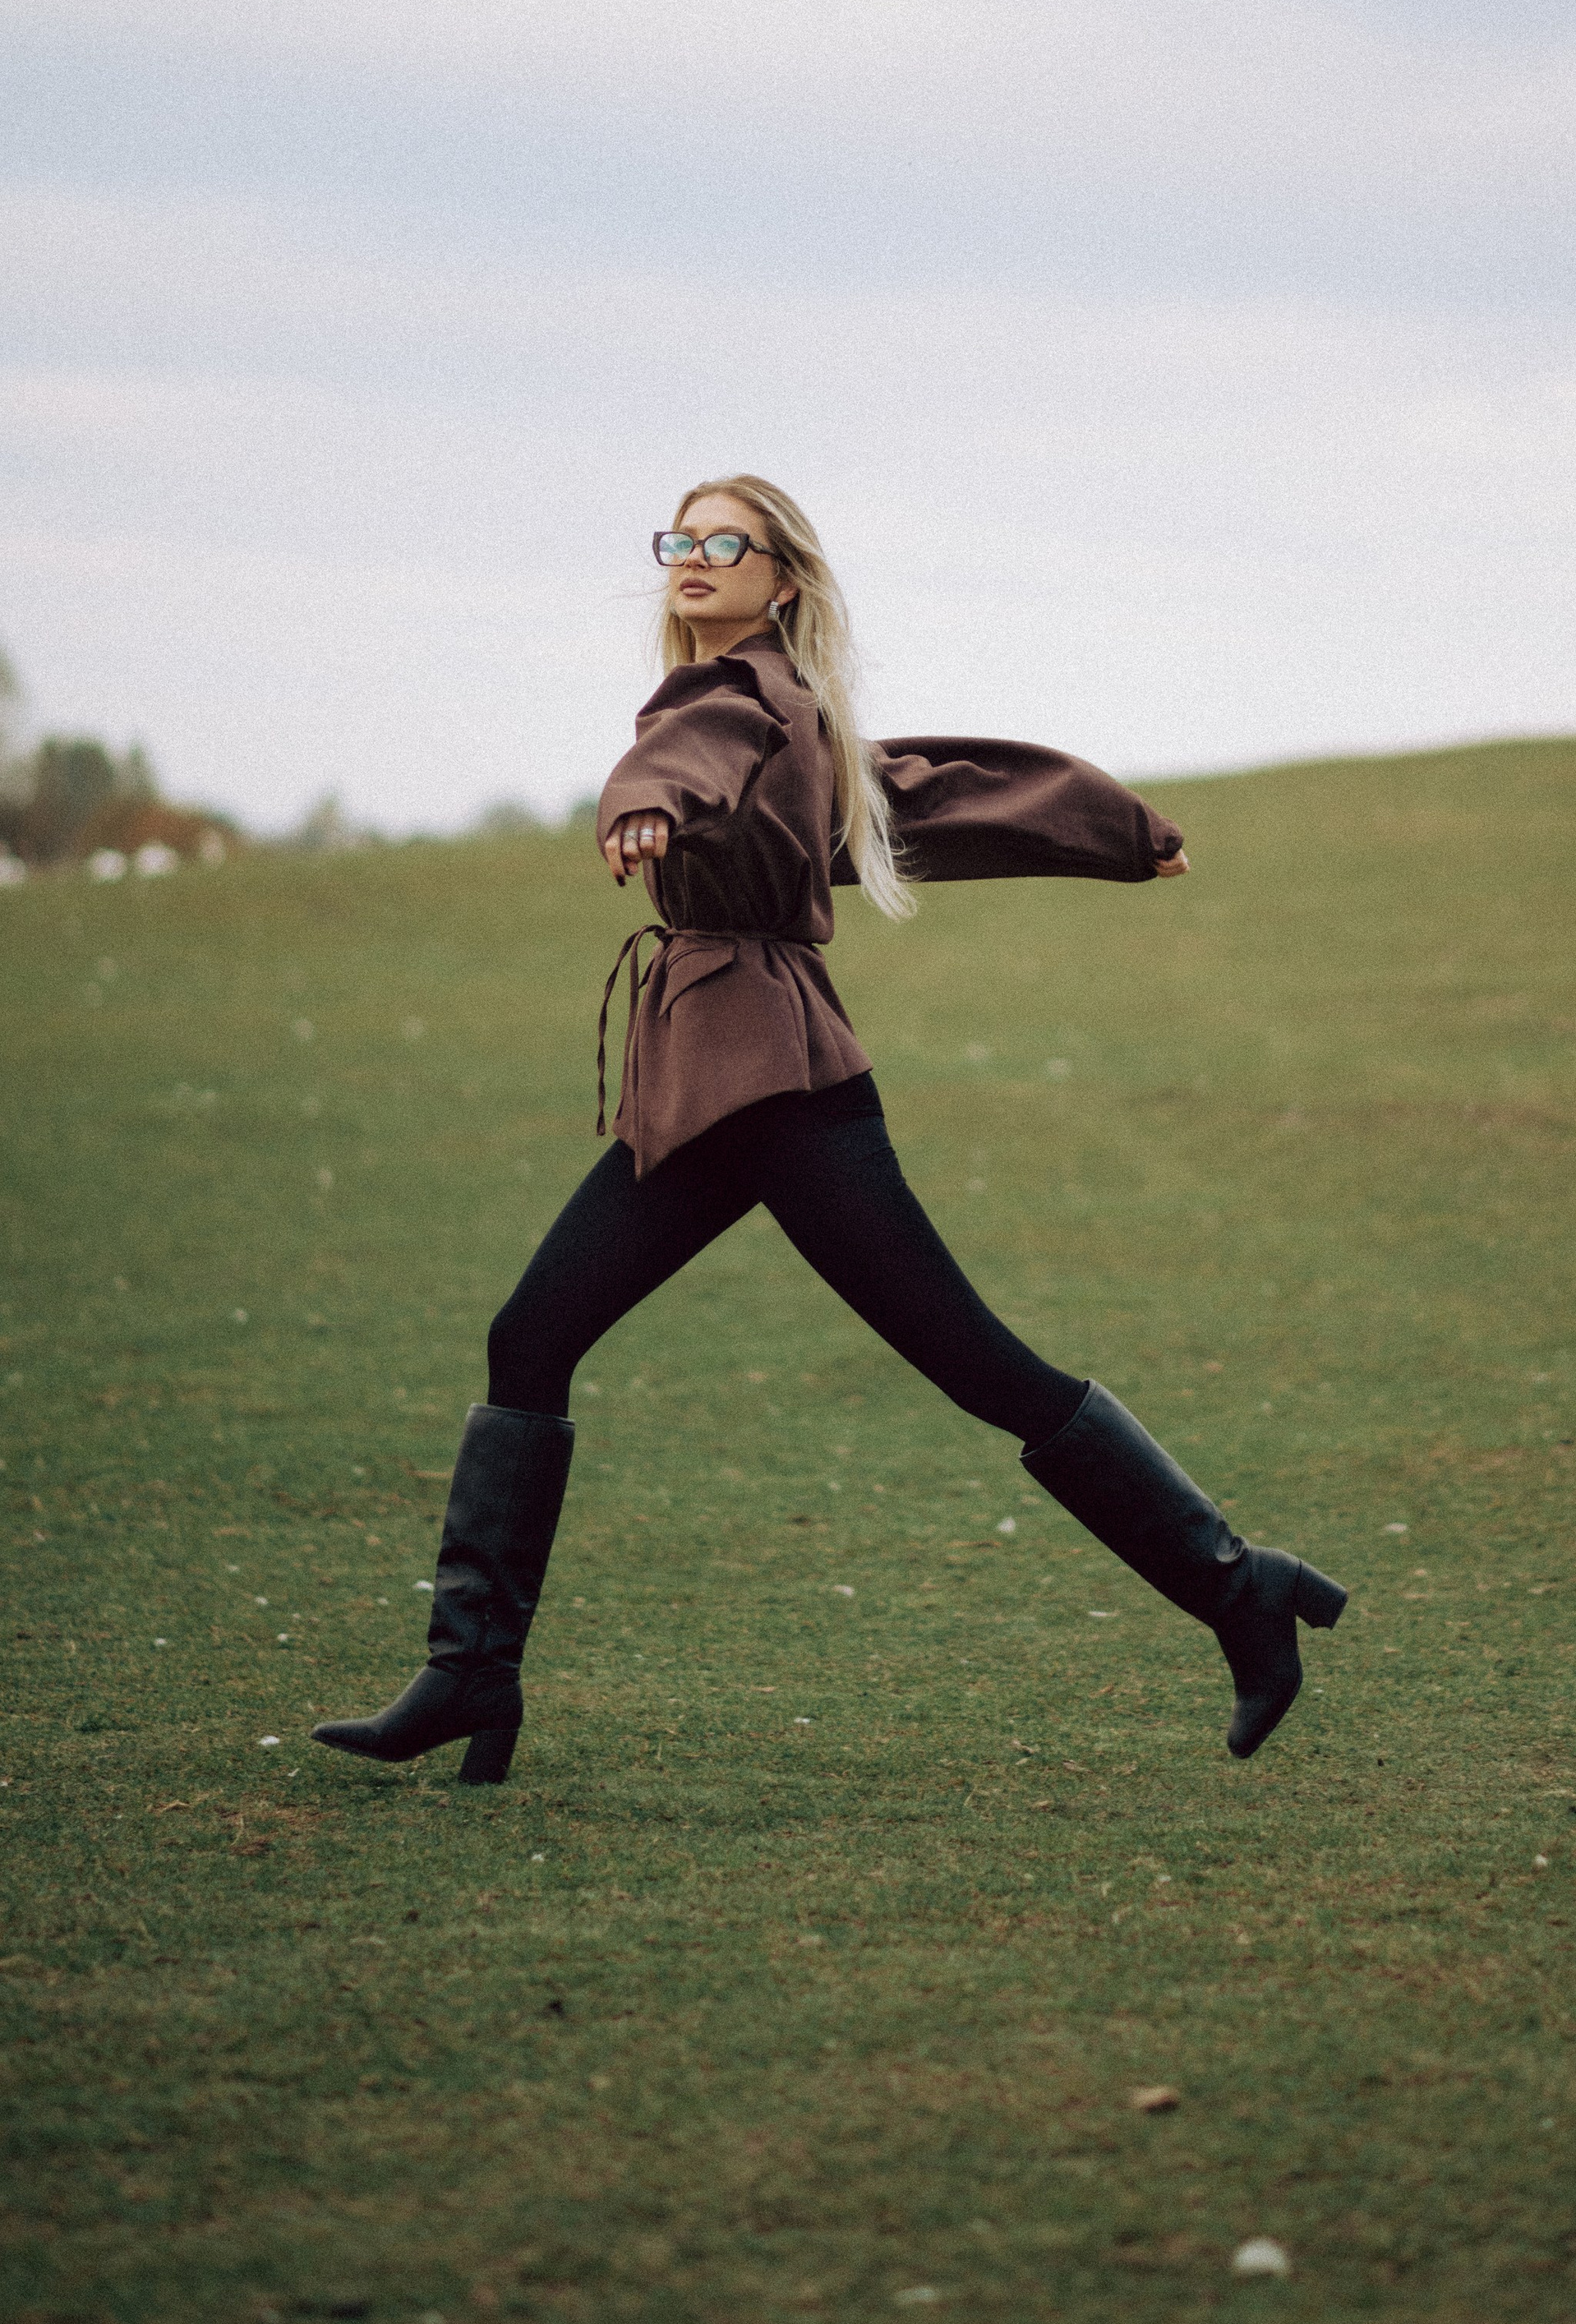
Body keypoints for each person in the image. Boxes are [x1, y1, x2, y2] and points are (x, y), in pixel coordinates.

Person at [313, 476, 1345, 1785]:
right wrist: (1118, 832)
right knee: (534, 1332)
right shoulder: (799, 714)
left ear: (780, 578)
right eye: (677, 541)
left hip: (780, 1088)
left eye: (722, 544)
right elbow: (934, 797)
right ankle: (472, 1676)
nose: (692, 560)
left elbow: (688, 755)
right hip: (716, 1084)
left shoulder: (733, 699)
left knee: (980, 1364)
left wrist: (645, 803)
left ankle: (1240, 1589)